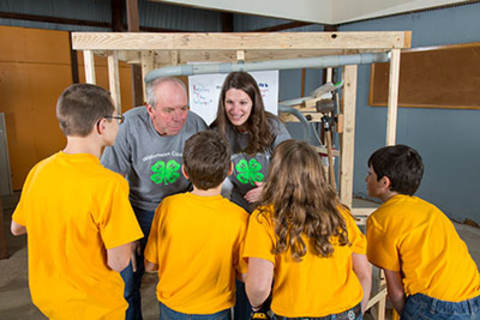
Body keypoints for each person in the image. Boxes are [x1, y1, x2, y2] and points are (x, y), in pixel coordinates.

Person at [10, 84, 144, 319]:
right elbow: (119, 261)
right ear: (102, 125)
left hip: (51, 302)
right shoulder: (109, 185)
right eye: (117, 118)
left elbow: (17, 227)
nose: (118, 124)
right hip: (97, 308)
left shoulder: (39, 170)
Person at [101, 76, 208, 319]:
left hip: (181, 211)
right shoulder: (128, 126)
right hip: (138, 212)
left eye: (183, 108)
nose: (179, 117)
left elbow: (208, 173)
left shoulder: (196, 125)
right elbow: (111, 182)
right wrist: (123, 232)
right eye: (169, 110)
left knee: (184, 285)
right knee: (126, 285)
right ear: (150, 109)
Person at [244, 139, 372, 320]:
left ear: (275, 174)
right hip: (347, 309)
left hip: (294, 313)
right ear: (318, 174)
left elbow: (259, 286)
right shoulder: (340, 213)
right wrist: (358, 310)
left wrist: (257, 305)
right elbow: (364, 274)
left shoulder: (264, 218)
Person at [365, 144, 480, 319]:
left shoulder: (381, 219)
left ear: (385, 182)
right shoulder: (429, 209)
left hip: (436, 305)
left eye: (370, 174)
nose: (366, 179)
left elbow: (394, 289)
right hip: (473, 295)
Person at [144, 131, 249, 320]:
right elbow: (244, 274)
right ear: (230, 170)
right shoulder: (239, 217)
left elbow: (151, 265)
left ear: (184, 171)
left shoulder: (167, 207)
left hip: (171, 307)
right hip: (215, 310)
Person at [213, 71, 291, 319]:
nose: (235, 109)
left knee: (267, 281)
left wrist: (270, 190)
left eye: (243, 102)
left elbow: (293, 171)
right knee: (238, 278)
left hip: (270, 217)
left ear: (254, 102)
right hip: (236, 218)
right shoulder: (217, 131)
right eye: (230, 102)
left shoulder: (274, 127)